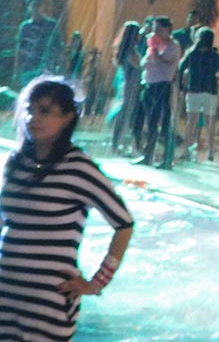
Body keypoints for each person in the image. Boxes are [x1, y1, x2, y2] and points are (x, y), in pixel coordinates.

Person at [0, 80, 133, 341]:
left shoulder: (79, 168)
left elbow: (124, 224)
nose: (33, 118)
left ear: (67, 118)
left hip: (49, 302)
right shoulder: (16, 163)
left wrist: (97, 283)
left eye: (45, 111)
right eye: (29, 110)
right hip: (6, 293)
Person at [132, 17, 181, 168]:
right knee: (150, 122)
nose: (155, 32)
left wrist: (154, 52)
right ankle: (148, 155)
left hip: (162, 86)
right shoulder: (154, 45)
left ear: (167, 30)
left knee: (163, 123)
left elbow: (163, 64)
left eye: (158, 29)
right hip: (149, 85)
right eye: (154, 29)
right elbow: (144, 63)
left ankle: (167, 158)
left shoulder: (172, 46)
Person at [178, 27, 219, 162]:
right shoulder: (214, 56)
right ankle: (210, 151)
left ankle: (186, 149)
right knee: (210, 122)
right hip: (210, 91)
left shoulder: (192, 54)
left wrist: (181, 86)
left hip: (193, 90)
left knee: (191, 122)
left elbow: (181, 68)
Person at [107, 21, 143, 156]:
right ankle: (117, 144)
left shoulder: (125, 50)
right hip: (131, 86)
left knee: (126, 113)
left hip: (128, 84)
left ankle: (118, 143)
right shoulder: (130, 51)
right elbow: (139, 65)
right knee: (125, 113)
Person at [15, 0, 62, 88]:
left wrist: (60, 65)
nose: (36, 8)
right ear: (29, 8)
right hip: (28, 68)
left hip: (47, 67)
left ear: (42, 7)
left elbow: (58, 46)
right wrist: (16, 71)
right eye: (33, 5)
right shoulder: (25, 27)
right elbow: (20, 49)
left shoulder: (51, 25)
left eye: (38, 5)